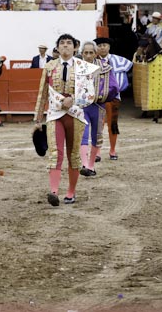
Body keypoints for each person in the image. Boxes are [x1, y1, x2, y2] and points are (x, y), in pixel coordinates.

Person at [32, 33, 101, 206]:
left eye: (69, 43)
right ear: (57, 48)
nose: (65, 46)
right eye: (62, 43)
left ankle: (71, 192)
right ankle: (54, 192)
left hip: (75, 114)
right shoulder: (49, 66)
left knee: (74, 155)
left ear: (75, 47)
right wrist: (37, 119)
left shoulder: (83, 67)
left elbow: (90, 95)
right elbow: (43, 93)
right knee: (55, 153)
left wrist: (73, 100)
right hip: (55, 114)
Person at [79, 41, 118, 177]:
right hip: (82, 107)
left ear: (95, 54)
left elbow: (114, 87)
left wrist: (102, 96)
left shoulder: (105, 67)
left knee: (96, 136)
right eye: (86, 53)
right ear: (82, 54)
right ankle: (84, 164)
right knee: (83, 135)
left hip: (98, 106)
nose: (88, 55)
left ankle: (91, 166)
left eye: (91, 53)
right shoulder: (76, 67)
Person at [95, 37, 132, 160]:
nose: (102, 47)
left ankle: (112, 150)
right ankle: (97, 151)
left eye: (104, 45)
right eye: (99, 45)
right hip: (97, 98)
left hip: (113, 97)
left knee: (113, 124)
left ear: (109, 47)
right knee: (98, 124)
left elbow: (130, 66)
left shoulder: (117, 60)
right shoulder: (93, 61)